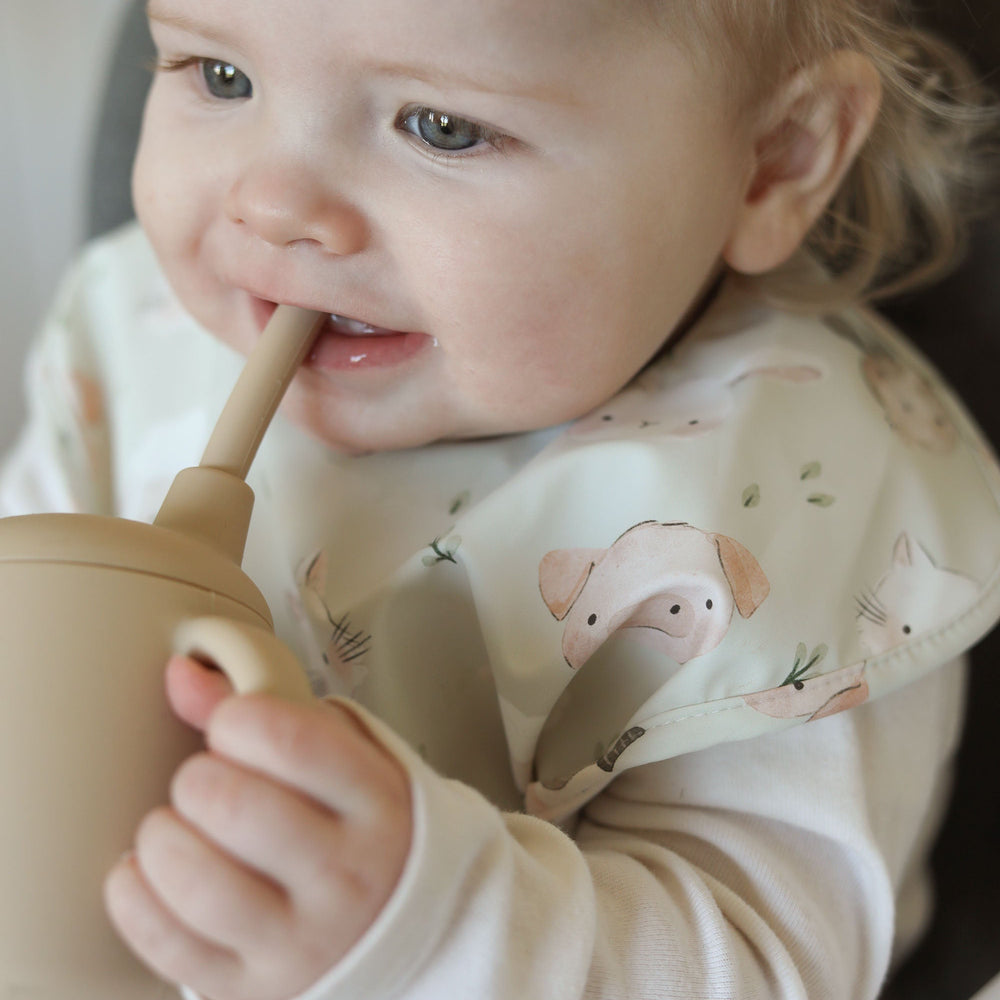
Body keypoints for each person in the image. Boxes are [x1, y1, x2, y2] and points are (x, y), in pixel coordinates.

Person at [3, 0, 999, 997]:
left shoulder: (792, 503)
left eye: (441, 126)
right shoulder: (136, 346)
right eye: (221, 77)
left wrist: (427, 924)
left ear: (775, 157)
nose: (273, 204)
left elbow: (755, 969)